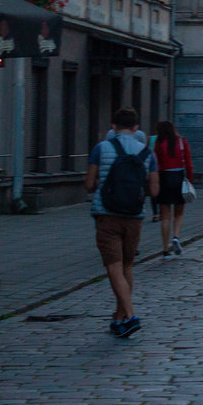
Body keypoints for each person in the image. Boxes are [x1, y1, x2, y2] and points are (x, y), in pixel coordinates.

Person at [83, 108, 159, 338]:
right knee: (127, 267)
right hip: (134, 216)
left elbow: (88, 184)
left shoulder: (101, 148)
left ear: (113, 126)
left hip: (107, 215)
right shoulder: (147, 153)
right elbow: (155, 190)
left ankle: (131, 315)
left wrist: (103, 183)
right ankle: (119, 319)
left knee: (113, 267)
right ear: (136, 128)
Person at [151, 121, 193, 257]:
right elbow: (189, 164)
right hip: (178, 177)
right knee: (179, 213)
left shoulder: (158, 143)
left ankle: (165, 249)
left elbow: (155, 163)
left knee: (165, 216)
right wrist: (190, 181)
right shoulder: (182, 142)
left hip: (163, 177)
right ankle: (176, 237)